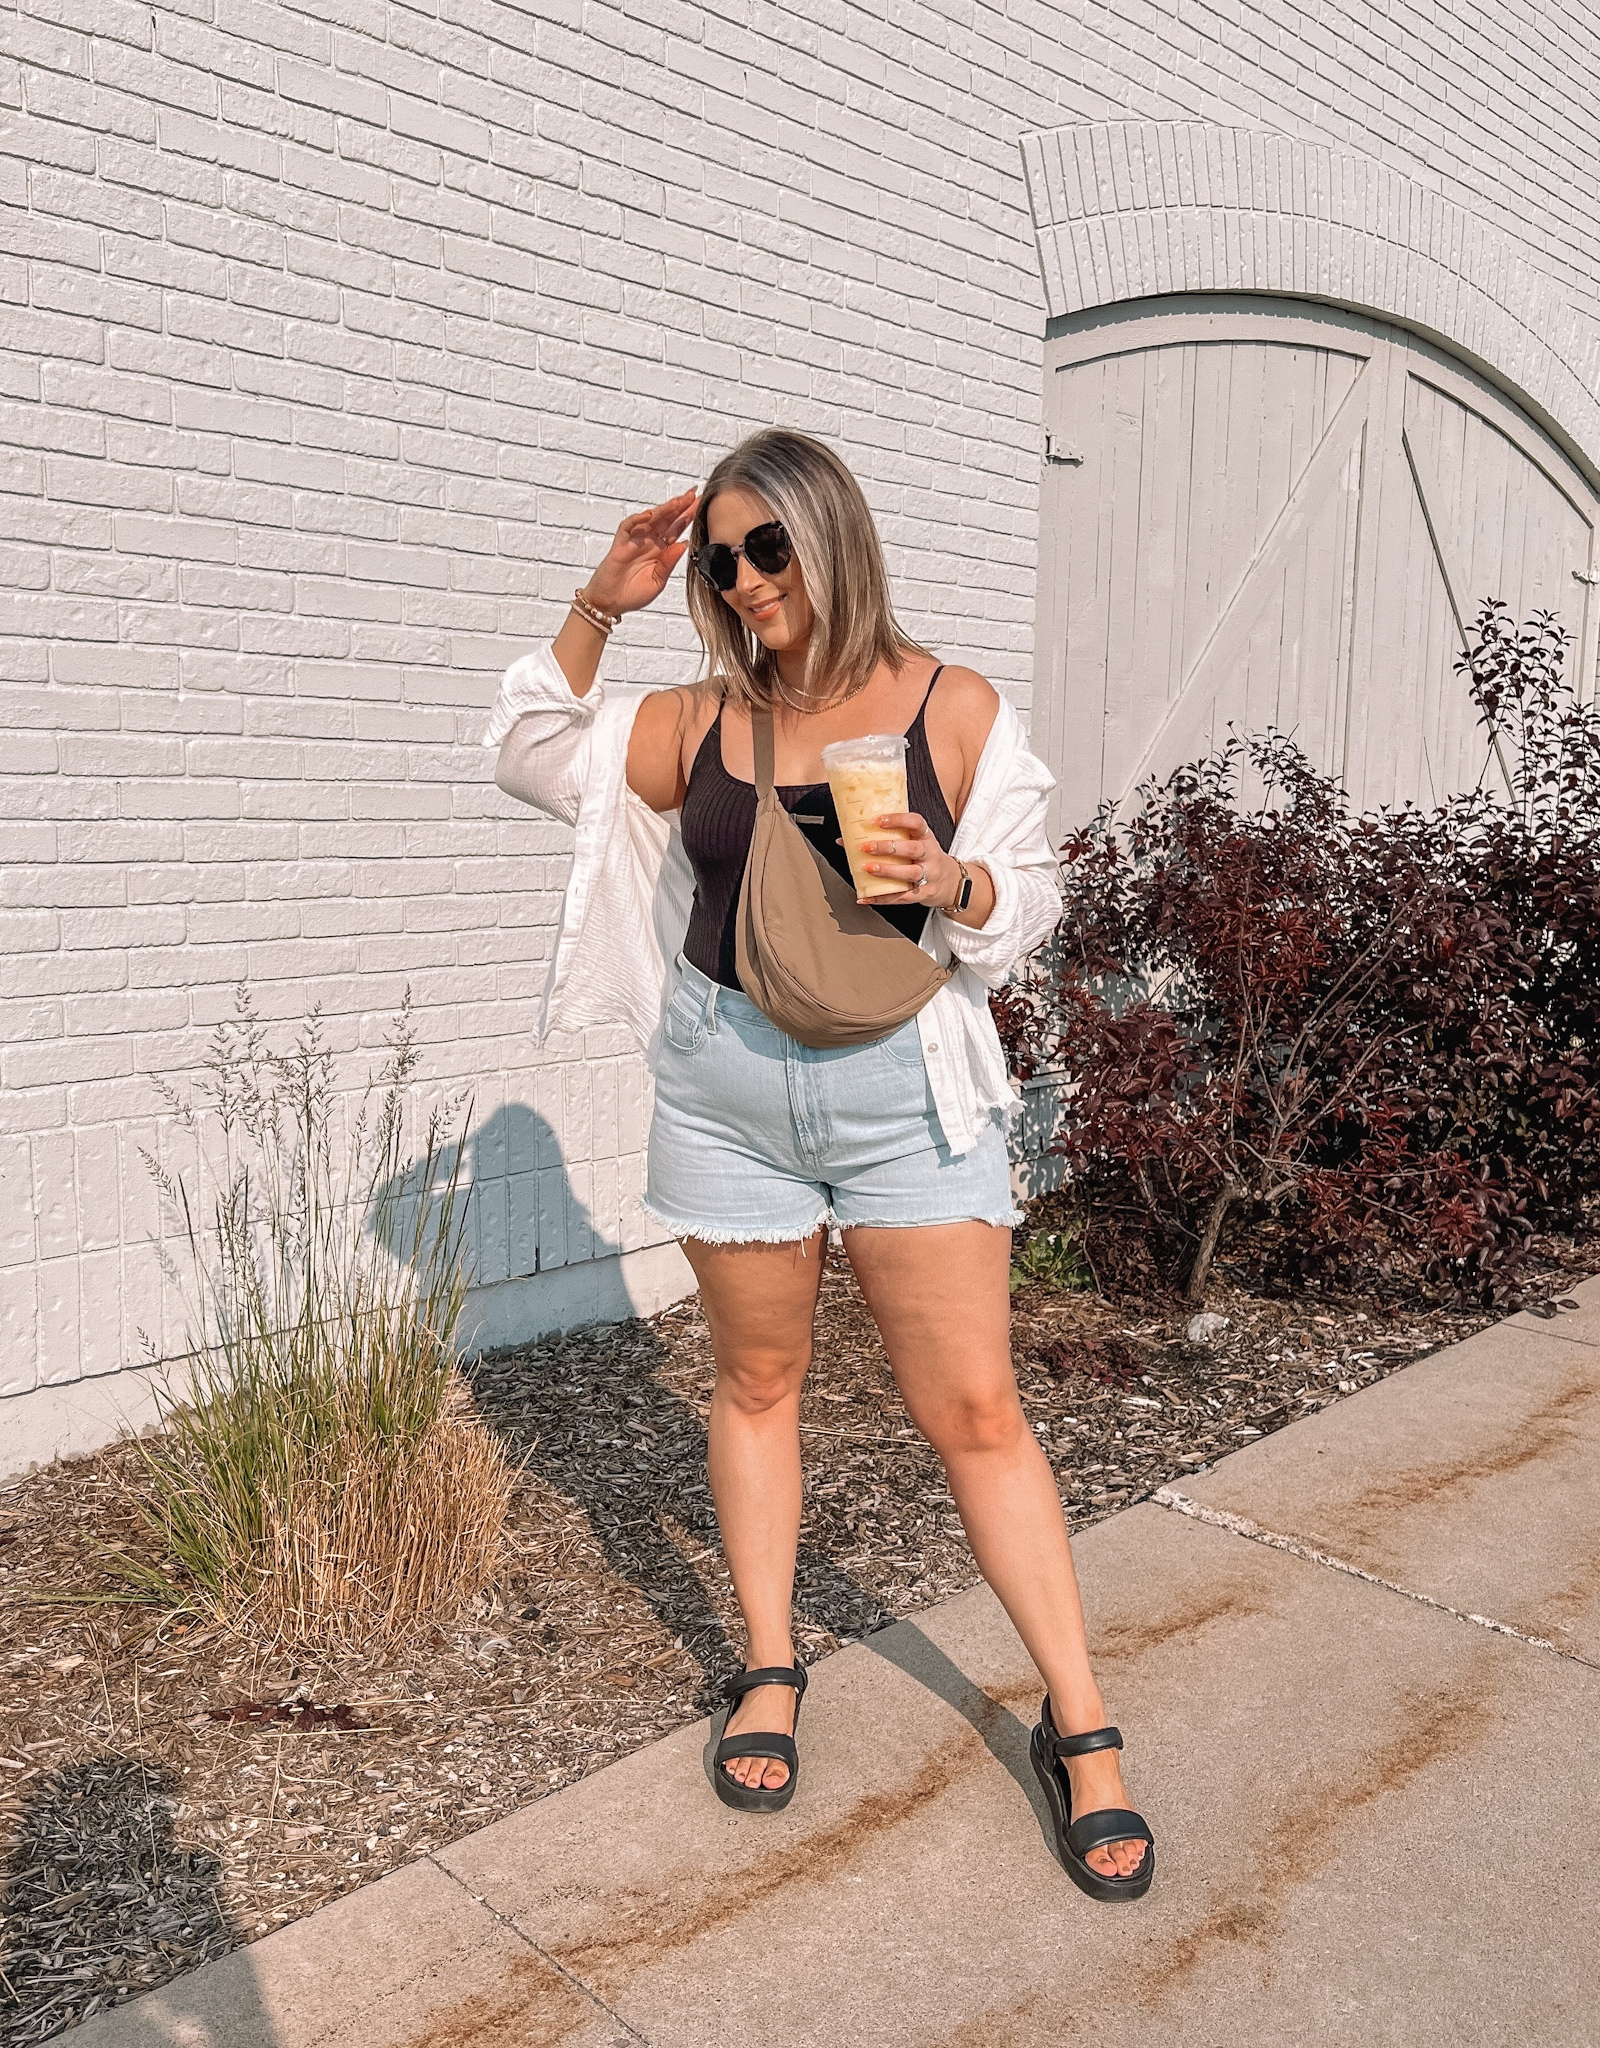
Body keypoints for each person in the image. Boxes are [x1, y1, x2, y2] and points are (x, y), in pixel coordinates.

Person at [485, 429, 1154, 1900]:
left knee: (974, 1408)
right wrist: (601, 604)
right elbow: (532, 757)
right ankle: (770, 1662)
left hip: (900, 1097)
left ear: (827, 538)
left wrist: (956, 881)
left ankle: (1081, 1723)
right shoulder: (696, 718)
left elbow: (1031, 891)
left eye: (763, 548)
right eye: (718, 561)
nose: (738, 580)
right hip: (729, 1096)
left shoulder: (948, 705)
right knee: (757, 1385)